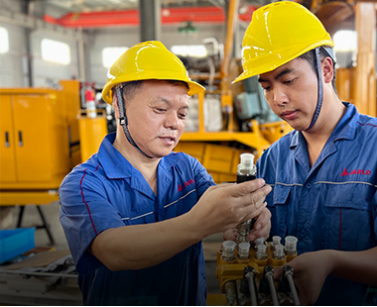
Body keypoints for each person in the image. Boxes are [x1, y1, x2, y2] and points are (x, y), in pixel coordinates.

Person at [233, 2, 377, 306]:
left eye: (288, 80)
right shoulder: (272, 159)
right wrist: (254, 228)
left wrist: (331, 262)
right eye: (267, 86)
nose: (278, 99)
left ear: (325, 69)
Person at [59, 41, 272, 305]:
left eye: (182, 113)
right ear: (119, 103)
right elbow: (114, 251)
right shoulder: (84, 184)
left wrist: (247, 218)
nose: (174, 123)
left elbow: (222, 207)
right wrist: (201, 223)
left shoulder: (187, 169)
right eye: (160, 109)